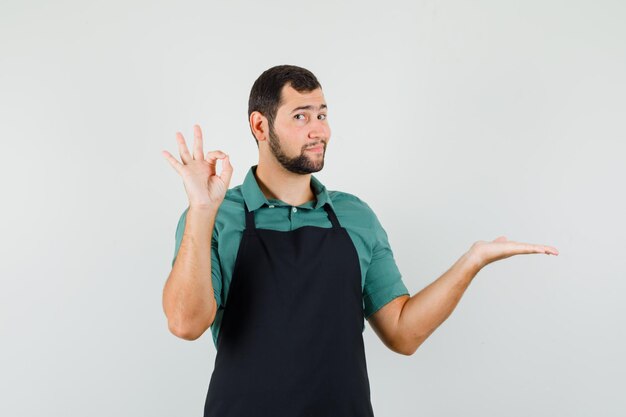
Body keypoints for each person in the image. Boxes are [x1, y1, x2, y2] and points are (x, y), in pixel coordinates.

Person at [161, 64, 559, 416]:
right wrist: (200, 210)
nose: (320, 130)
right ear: (260, 126)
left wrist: (473, 260)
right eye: (301, 116)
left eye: (322, 114)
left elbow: (403, 333)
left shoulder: (356, 218)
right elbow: (185, 323)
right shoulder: (214, 216)